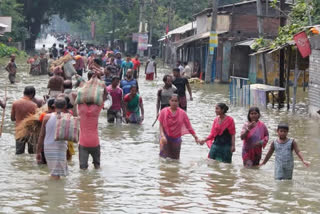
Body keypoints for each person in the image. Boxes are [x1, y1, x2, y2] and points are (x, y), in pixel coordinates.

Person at [77, 74, 107, 170]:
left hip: (83, 143)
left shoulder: (81, 108)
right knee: (97, 167)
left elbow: (79, 92)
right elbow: (105, 95)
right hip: (95, 142)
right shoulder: (96, 109)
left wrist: (88, 82)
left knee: (83, 168)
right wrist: (101, 84)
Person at [158, 94, 199, 159]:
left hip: (176, 139)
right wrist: (162, 135)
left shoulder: (182, 113)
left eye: (176, 101)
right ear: (169, 101)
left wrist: (195, 137)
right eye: (172, 100)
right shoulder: (164, 111)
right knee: (163, 159)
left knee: (175, 160)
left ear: (178, 102)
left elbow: (189, 127)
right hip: (165, 137)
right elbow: (160, 126)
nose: (174, 103)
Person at [36, 98, 69, 180]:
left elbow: (41, 135)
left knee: (53, 172)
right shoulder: (68, 117)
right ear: (65, 106)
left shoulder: (46, 117)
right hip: (61, 146)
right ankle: (56, 191)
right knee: (57, 173)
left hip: (49, 147)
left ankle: (53, 190)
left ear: (54, 106)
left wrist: (38, 151)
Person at [11, 86, 38, 154]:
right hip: (30, 131)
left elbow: (12, 118)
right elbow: (36, 120)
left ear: (24, 92)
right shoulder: (34, 105)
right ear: (32, 94)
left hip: (19, 131)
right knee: (32, 154)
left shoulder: (15, 103)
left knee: (19, 153)